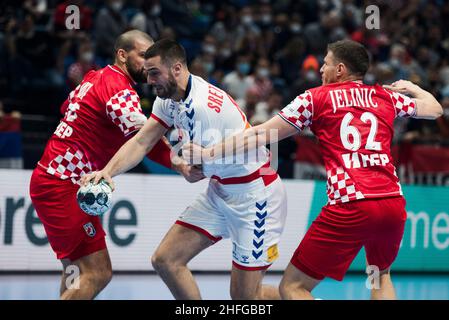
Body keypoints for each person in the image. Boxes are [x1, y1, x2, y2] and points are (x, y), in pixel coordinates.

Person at [183, 40, 443, 299]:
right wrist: (412, 87)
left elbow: (259, 135)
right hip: (392, 202)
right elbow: (435, 109)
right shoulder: (385, 96)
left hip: (351, 203)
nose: (320, 69)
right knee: (380, 275)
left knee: (292, 287)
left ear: (340, 69)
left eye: (326, 63)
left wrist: (208, 153)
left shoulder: (315, 98)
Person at [82, 39, 287, 300]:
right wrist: (107, 172)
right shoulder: (168, 99)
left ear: (177, 69)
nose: (149, 80)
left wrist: (188, 164)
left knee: (246, 298)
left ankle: (299, 296)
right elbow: (142, 141)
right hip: (220, 191)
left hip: (256, 199)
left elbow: (200, 167)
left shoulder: (204, 108)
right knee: (166, 260)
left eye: (155, 72)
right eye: (147, 73)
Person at [29, 30, 201, 300]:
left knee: (76, 269)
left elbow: (67, 108)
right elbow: (146, 140)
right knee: (97, 272)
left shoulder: (94, 77)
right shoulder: (118, 86)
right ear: (122, 55)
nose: (147, 63)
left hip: (56, 179)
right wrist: (180, 165)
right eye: (143, 55)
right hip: (64, 184)